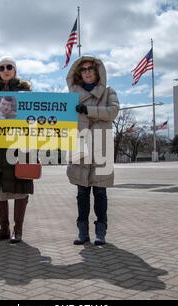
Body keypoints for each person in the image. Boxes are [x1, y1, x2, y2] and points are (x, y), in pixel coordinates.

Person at [66, 56, 120, 246]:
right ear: (78, 73)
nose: (87, 72)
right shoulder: (71, 95)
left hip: (101, 145)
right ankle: (82, 231)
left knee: (100, 192)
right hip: (79, 145)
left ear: (97, 72)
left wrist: (87, 110)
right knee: (82, 192)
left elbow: (113, 112)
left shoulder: (108, 92)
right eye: (83, 69)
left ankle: (101, 230)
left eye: (91, 68)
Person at [0, 56, 32, 244]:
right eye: (1, 67)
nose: (5, 69)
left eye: (9, 66)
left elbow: (34, 118)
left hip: (19, 145)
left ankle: (17, 232)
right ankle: (4, 229)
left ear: (15, 70)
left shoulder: (26, 91)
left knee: (20, 187)